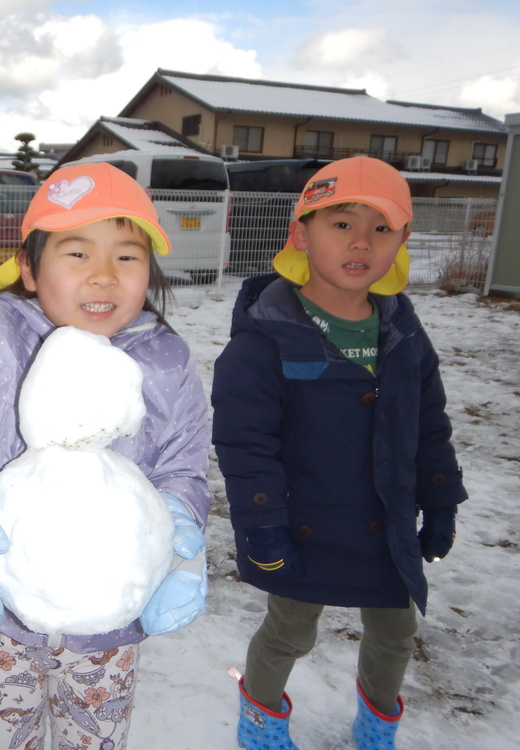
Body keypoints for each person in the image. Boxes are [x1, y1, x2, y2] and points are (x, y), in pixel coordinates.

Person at [0, 162, 211, 750]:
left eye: (127, 256)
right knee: (2, 737)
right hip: (0, 612)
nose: (103, 277)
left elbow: (182, 463)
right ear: (29, 267)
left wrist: (180, 530)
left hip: (109, 625)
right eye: (76, 254)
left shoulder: (165, 361)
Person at [211, 156, 467, 750]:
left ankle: (377, 727)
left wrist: (441, 498)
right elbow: (246, 445)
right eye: (341, 224)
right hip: (304, 523)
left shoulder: (401, 331)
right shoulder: (267, 336)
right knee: (289, 631)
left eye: (382, 228)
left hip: (386, 520)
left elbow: (428, 421)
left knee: (396, 633)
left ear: (402, 241)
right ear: (302, 234)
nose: (362, 243)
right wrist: (262, 527)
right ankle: (261, 722)